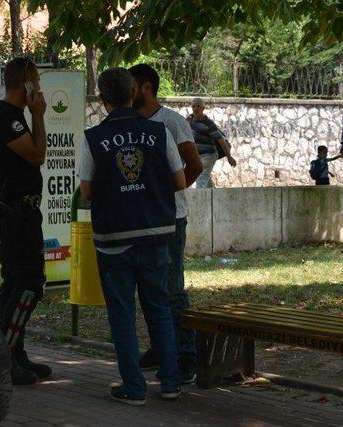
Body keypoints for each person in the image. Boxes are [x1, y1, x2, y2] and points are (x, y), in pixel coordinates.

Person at [79, 67, 185, 406]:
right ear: (132, 94)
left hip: (114, 241)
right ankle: (171, 383)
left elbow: (86, 192)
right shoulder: (158, 131)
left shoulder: (92, 138)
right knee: (160, 309)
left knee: (122, 316)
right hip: (157, 234)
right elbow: (180, 181)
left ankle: (134, 389)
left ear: (103, 99)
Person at [129, 64, 203, 384]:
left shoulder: (172, 122)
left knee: (172, 289)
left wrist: (168, 193)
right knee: (148, 288)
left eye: (131, 86)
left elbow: (195, 165)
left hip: (171, 220)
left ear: (146, 88)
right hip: (141, 220)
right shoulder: (129, 123)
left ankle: (186, 356)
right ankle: (160, 348)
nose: (126, 91)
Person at [0, 57, 51, 385]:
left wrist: (33, 115)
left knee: (16, 283)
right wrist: (38, 115)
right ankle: (4, 357)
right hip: (14, 214)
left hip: (19, 212)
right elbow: (38, 154)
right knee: (28, 285)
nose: (39, 88)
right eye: (35, 81)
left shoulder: (13, 117)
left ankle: (14, 352)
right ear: (24, 84)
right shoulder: (7, 118)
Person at [187, 97, 237, 188]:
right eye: (193, 106)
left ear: (203, 108)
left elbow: (221, 141)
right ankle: (214, 194)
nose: (195, 109)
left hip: (208, 155)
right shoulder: (189, 120)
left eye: (198, 106)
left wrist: (229, 157)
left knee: (201, 178)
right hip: (197, 156)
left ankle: (200, 200)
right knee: (206, 179)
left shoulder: (209, 124)